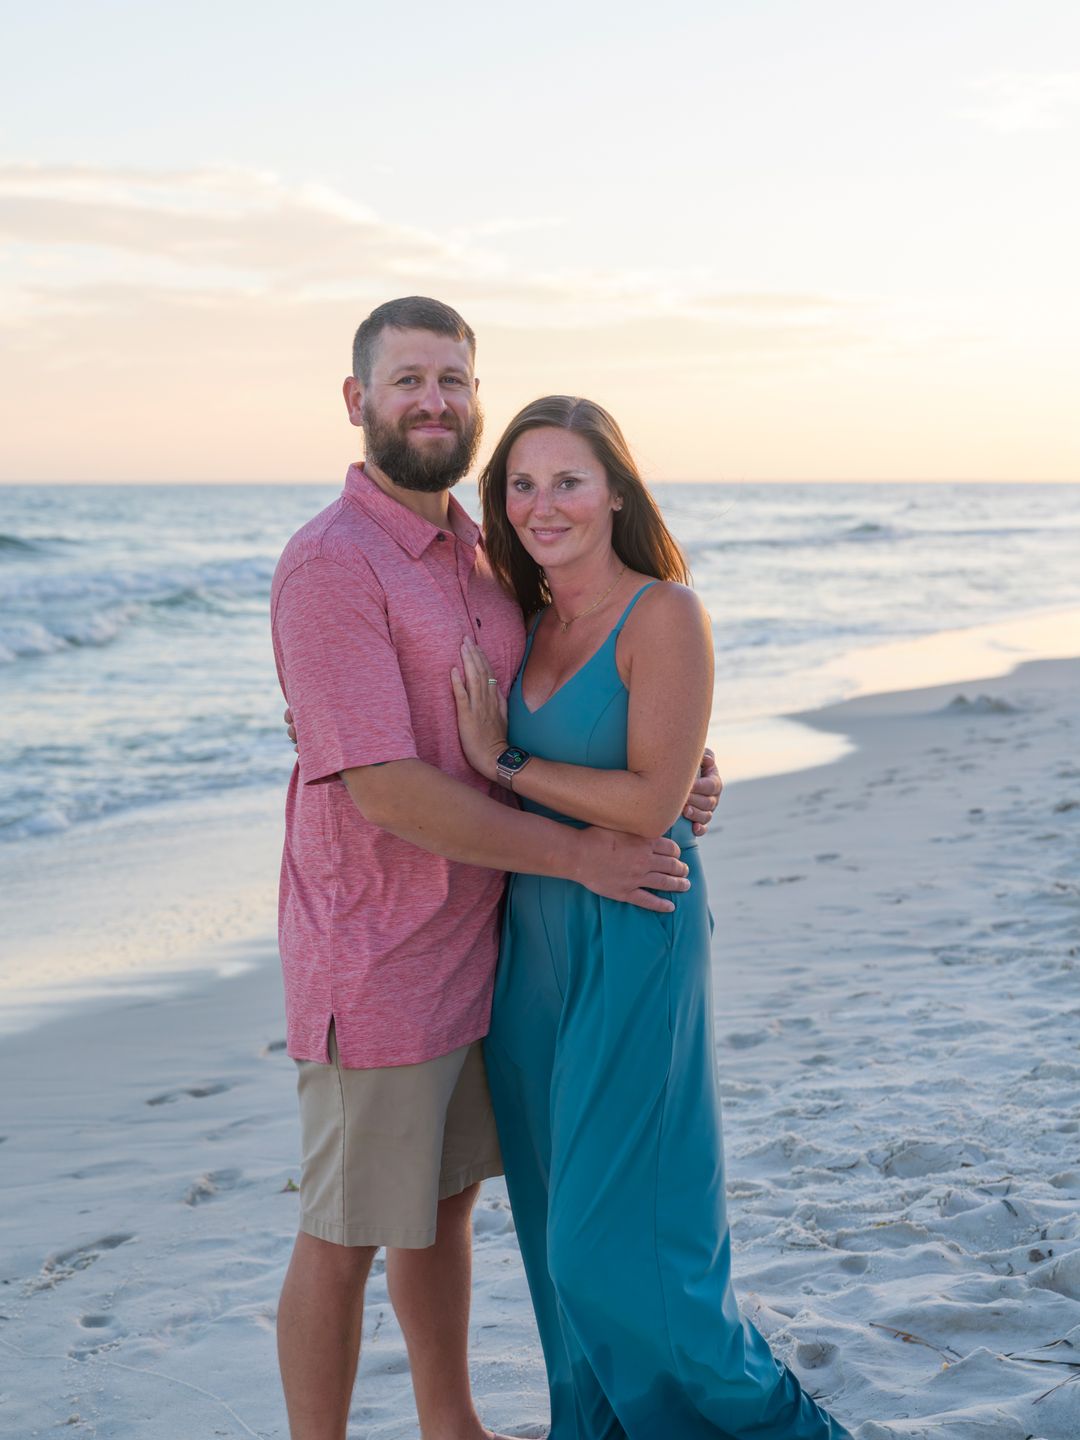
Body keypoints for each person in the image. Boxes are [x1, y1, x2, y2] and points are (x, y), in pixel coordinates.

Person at [271, 297, 721, 1440]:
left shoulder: (484, 556)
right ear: (357, 398)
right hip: (377, 951)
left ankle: (450, 1423)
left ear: (475, 396)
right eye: (407, 378)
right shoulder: (332, 563)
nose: (432, 400)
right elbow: (388, 786)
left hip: (498, 941)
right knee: (346, 1229)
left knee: (444, 1206)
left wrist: (679, 772)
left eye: (452, 381)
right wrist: (591, 849)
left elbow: (580, 689)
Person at [450, 396, 853, 1439]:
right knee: (551, 1242)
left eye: (568, 480)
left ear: (615, 491)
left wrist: (507, 758)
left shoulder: (663, 611)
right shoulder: (521, 616)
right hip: (531, 944)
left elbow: (647, 802)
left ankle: (774, 1425)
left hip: (633, 927)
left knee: (614, 1245)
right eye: (521, 484)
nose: (543, 505)